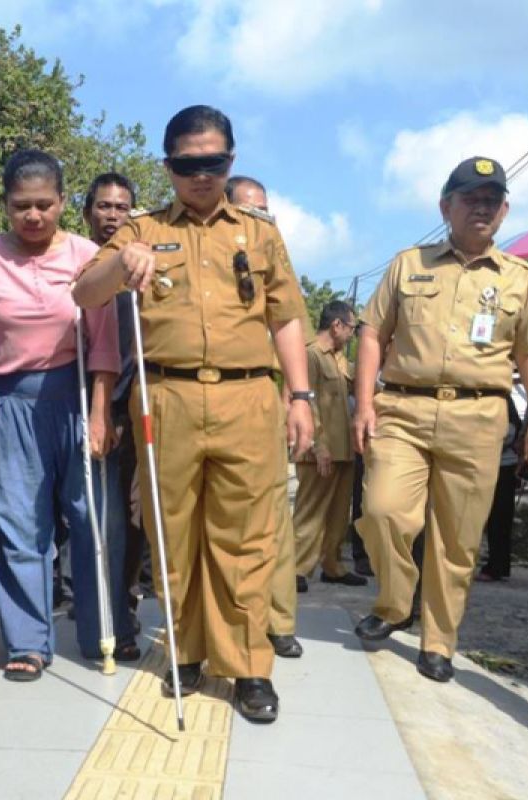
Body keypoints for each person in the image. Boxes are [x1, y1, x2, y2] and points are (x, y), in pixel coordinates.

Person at [74, 105, 314, 723]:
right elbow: (83, 291)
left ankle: (249, 665)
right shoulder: (141, 228)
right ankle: (186, 650)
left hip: (247, 398)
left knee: (246, 539)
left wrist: (302, 396)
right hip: (167, 398)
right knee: (171, 531)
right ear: (168, 165)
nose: (200, 175)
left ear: (229, 161)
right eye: (187, 164)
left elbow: (286, 317)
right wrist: (117, 265)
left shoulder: (260, 233)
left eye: (212, 163)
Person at [351, 156, 528, 683]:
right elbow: (372, 332)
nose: (481, 208)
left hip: (479, 416)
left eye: (492, 200)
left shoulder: (520, 279)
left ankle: (438, 640)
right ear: (447, 206)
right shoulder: (408, 264)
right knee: (383, 512)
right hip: (404, 408)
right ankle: (395, 604)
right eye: (470, 198)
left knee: (458, 539)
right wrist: (364, 402)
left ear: (505, 210)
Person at [0, 150, 136, 680]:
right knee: (19, 526)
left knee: (95, 523)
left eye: (44, 204)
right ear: (5, 205)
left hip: (77, 399)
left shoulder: (88, 254)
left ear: (64, 202)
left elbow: (105, 346)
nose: (33, 216)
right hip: (10, 404)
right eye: (21, 206)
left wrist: (98, 414)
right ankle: (28, 642)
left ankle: (99, 633)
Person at [224, 174, 304, 659]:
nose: (259, 219)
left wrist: (300, 400)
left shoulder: (276, 265)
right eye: (249, 210)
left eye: (265, 210)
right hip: (209, 403)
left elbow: (293, 330)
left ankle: (278, 620)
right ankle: (228, 623)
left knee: (274, 517)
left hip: (263, 401)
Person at [83, 172, 150, 635]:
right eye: (104, 206)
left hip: (125, 411)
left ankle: (121, 603)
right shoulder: (75, 262)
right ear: (88, 211)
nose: (112, 216)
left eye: (122, 208)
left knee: (127, 516)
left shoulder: (141, 272)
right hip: (71, 399)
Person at [292, 300, 367, 589]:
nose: (352, 334)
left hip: (344, 450)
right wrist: (316, 445)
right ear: (337, 325)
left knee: (338, 514)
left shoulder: (338, 358)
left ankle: (332, 565)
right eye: (351, 328)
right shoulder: (310, 355)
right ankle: (296, 568)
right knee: (310, 512)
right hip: (319, 450)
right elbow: (306, 402)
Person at [474, 397, 524, 581]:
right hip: (481, 464)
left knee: (500, 519)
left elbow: (511, 431)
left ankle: (498, 565)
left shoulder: (503, 400)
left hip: (503, 465)